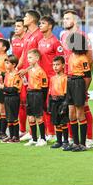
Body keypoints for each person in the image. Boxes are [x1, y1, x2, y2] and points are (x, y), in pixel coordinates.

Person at [60, 10, 93, 148]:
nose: (64, 21)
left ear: (75, 20)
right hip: (69, 78)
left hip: (79, 79)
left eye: (67, 18)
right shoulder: (63, 36)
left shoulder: (82, 36)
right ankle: (73, 140)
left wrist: (83, 84)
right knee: (71, 110)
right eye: (64, 18)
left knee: (83, 108)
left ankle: (88, 138)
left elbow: (90, 59)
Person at [17, 10, 44, 142]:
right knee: (26, 102)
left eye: (26, 16)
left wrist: (26, 69)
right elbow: (23, 54)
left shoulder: (39, 35)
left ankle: (47, 133)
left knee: (39, 103)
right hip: (26, 73)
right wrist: (18, 67)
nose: (24, 18)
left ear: (33, 19)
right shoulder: (27, 34)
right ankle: (30, 131)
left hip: (34, 74)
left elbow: (39, 58)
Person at [38, 15, 64, 144]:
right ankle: (50, 133)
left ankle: (62, 134)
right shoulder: (40, 41)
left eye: (42, 23)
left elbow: (61, 61)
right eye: (40, 23)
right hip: (41, 79)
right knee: (44, 106)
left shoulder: (55, 42)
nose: (40, 25)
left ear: (50, 26)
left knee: (55, 106)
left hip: (53, 79)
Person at [64, 32, 92, 152]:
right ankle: (75, 142)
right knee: (71, 113)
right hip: (70, 82)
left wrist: (83, 90)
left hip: (78, 82)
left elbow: (88, 76)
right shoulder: (71, 55)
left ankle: (83, 143)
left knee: (80, 112)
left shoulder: (83, 58)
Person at [24, 49, 49, 147]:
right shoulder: (30, 69)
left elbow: (44, 87)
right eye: (28, 58)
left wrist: (43, 101)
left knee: (39, 117)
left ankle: (43, 138)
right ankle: (34, 138)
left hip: (38, 94)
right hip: (29, 93)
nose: (28, 60)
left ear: (37, 58)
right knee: (30, 117)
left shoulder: (41, 72)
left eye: (30, 57)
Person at [0, 55, 23, 143]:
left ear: (14, 64)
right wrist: (1, 83)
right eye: (5, 62)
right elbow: (6, 86)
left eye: (8, 63)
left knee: (14, 117)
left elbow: (14, 89)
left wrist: (2, 87)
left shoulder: (17, 75)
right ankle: (11, 135)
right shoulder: (7, 74)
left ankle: (16, 137)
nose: (5, 64)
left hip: (14, 97)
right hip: (7, 97)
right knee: (8, 117)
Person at [48, 56, 69, 149]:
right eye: (54, 65)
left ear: (63, 65)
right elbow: (50, 92)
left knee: (63, 122)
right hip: (54, 101)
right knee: (56, 122)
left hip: (62, 101)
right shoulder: (52, 78)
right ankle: (59, 141)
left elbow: (66, 93)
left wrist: (65, 104)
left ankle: (65, 141)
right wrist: (49, 104)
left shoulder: (65, 78)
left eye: (58, 65)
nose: (55, 67)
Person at [11, 17, 28, 136]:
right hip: (16, 74)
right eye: (15, 26)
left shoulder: (28, 39)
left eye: (18, 26)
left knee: (27, 102)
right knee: (19, 102)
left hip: (26, 74)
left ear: (25, 28)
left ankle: (33, 131)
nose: (16, 28)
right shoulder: (14, 40)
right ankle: (22, 130)